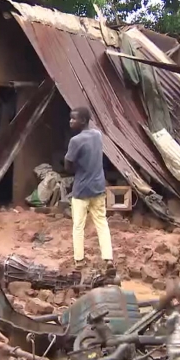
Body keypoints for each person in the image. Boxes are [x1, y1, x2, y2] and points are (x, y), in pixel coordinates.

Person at [64, 107, 113, 270]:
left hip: (81, 190)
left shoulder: (75, 141)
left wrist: (74, 167)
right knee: (102, 222)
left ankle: (79, 260)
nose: (71, 121)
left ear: (83, 121)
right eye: (70, 118)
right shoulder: (98, 135)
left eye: (74, 119)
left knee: (78, 225)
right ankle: (108, 259)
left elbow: (67, 165)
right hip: (98, 187)